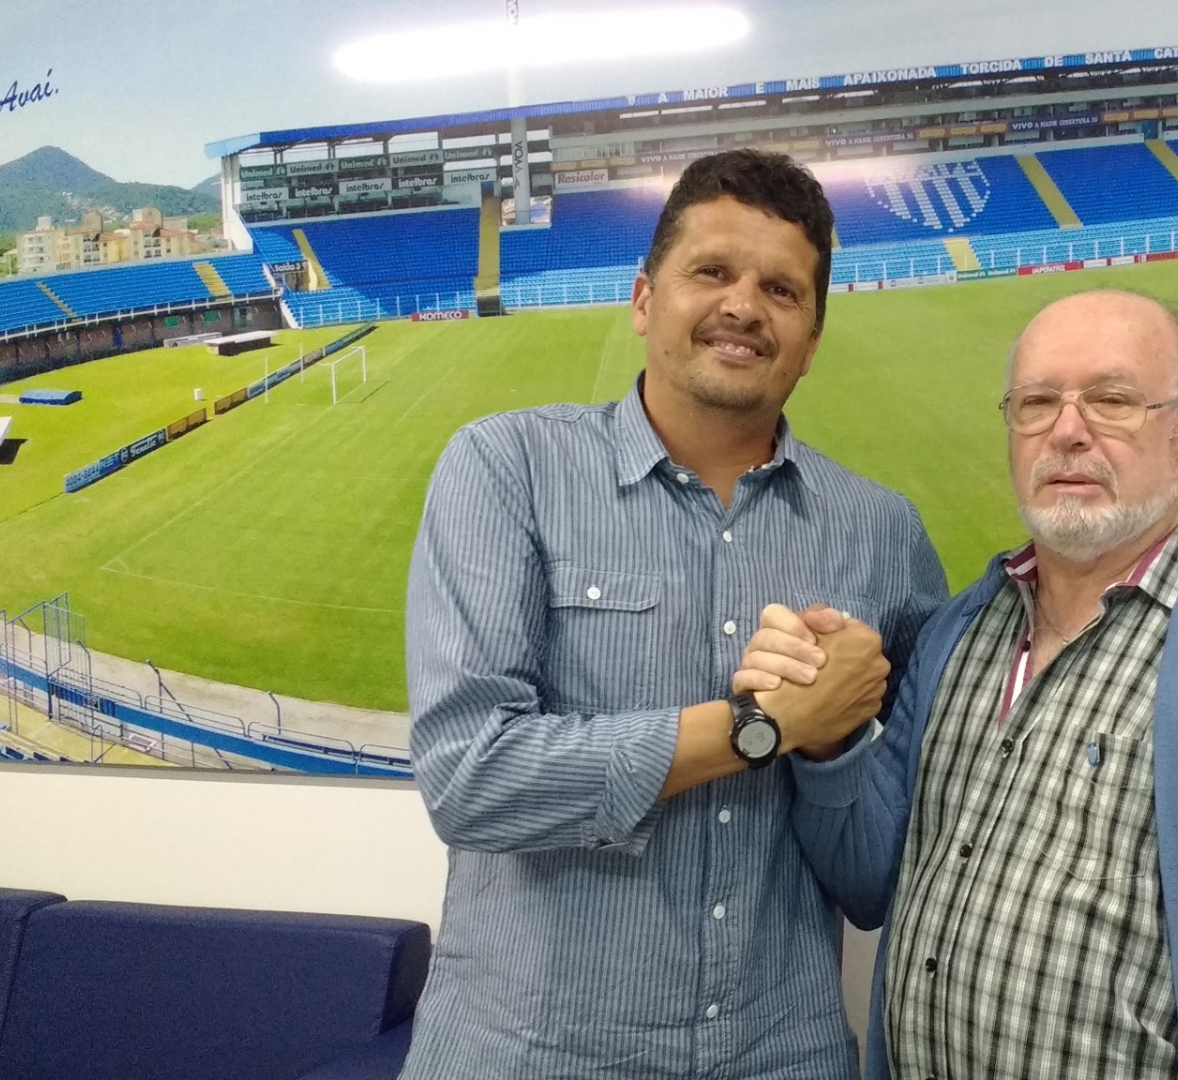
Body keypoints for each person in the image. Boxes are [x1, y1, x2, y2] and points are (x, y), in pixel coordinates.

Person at [739, 289, 1178, 1079]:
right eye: (1037, 403)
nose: (1067, 431)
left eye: (1111, 400)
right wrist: (828, 737)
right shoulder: (958, 636)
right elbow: (869, 885)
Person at [401, 149, 950, 1080]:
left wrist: (830, 745)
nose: (744, 305)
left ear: (812, 340)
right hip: (528, 1055)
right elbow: (469, 778)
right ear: (645, 299)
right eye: (712, 272)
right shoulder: (507, 470)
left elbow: (873, 883)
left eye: (782, 289)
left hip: (783, 1053)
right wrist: (757, 728)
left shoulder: (882, 534)